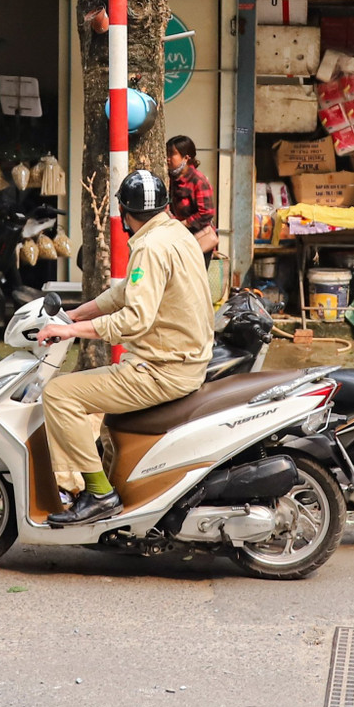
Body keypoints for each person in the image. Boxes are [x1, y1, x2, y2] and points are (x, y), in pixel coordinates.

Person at [35, 169, 215, 526]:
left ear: (124, 212)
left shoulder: (149, 246)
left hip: (160, 369)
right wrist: (74, 315)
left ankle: (99, 494)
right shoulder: (176, 232)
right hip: (183, 362)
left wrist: (73, 332)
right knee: (104, 420)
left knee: (58, 394)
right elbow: (122, 293)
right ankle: (104, 485)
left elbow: (133, 320)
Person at [165, 135, 218, 260]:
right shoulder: (171, 179)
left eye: (172, 154)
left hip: (198, 240)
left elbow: (207, 213)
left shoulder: (198, 180)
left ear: (186, 158)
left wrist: (184, 223)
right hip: (178, 238)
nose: (167, 158)